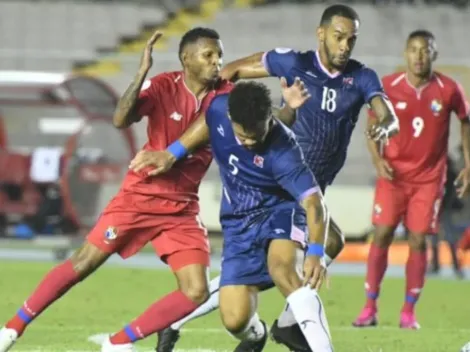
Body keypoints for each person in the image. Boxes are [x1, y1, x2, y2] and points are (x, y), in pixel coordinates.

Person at [155, 4, 399, 351]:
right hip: (282, 186)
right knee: (287, 267)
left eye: (352, 39)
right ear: (321, 33)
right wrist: (218, 108)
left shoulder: (361, 77)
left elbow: (386, 113)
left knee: (326, 244)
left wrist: (387, 126)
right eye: (339, 36)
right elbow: (234, 70)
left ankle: (283, 322)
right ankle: (288, 323)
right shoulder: (293, 63)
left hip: (309, 187)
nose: (345, 46)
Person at [0, 27, 236, 352]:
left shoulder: (224, 95)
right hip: (140, 197)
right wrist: (140, 74)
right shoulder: (164, 85)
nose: (217, 61)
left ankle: (118, 343)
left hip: (182, 209)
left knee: (195, 290)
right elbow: (121, 119)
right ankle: (11, 330)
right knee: (83, 263)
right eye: (208, 55)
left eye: (219, 55)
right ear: (186, 59)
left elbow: (217, 121)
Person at [148, 80, 334, 352]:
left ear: (269, 119)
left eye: (255, 137)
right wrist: (173, 153)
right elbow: (206, 122)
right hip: (238, 222)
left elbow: (315, 204)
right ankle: (257, 335)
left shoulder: (284, 152)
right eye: (242, 136)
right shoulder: (219, 108)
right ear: (231, 118)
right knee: (235, 320)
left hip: (279, 210)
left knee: (283, 270)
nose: (248, 143)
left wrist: (316, 252)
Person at [353, 29, 470, 330]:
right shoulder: (388, 87)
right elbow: (371, 125)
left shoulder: (449, 89)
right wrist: (377, 159)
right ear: (405, 53)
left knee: (419, 240)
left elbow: (465, 122)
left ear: (434, 54)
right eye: (414, 49)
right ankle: (369, 307)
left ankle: (408, 311)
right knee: (382, 234)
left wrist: (468, 165)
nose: (419, 55)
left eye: (425, 50)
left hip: (429, 180)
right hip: (393, 176)